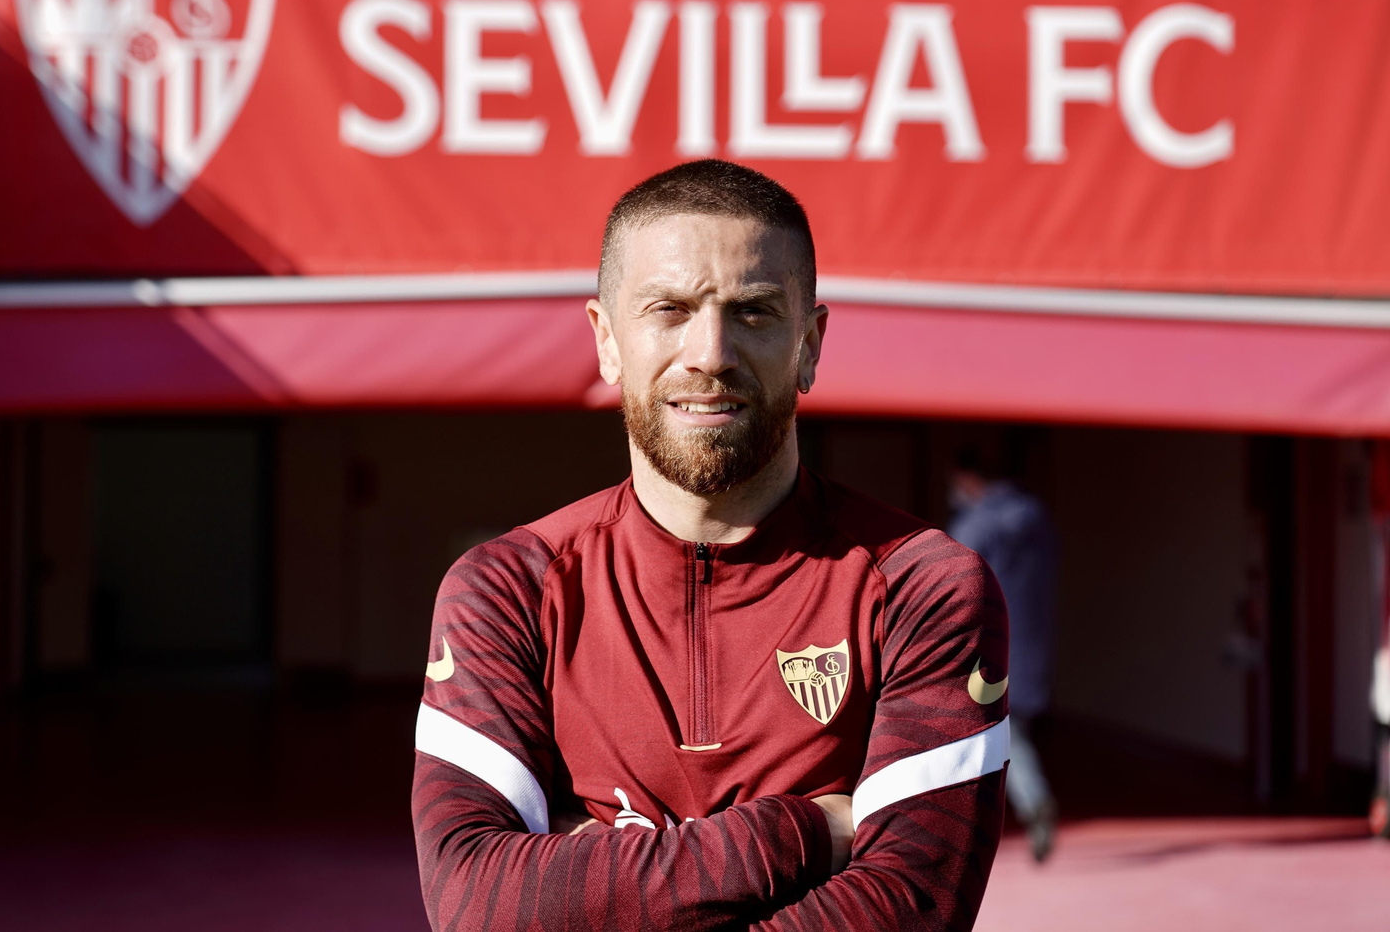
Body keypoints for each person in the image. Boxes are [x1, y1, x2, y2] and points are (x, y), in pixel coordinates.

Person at [412, 160, 1010, 932]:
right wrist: (805, 831)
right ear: (607, 340)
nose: (711, 353)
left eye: (753, 311)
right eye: (669, 309)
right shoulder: (508, 590)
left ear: (809, 344)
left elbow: (911, 914)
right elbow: (474, 905)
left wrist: (587, 878)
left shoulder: (923, 588)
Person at [948, 446, 1060, 862]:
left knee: (973, 735)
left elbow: (952, 585)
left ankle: (964, 827)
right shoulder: (1038, 518)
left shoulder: (975, 525)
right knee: (1012, 731)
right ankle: (1032, 801)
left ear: (970, 479)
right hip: (1031, 643)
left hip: (983, 647)